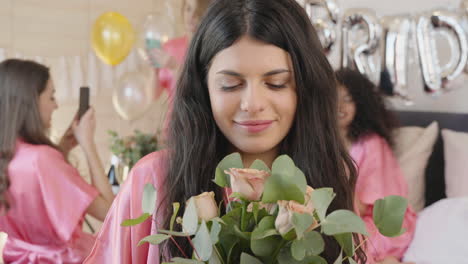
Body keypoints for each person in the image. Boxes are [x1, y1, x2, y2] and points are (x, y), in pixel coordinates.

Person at [85, 0, 366, 263]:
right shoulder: (153, 178)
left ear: (305, 88)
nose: (253, 104)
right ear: (203, 89)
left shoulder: (329, 175)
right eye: (230, 85)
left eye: (277, 83)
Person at [0, 59, 115, 263]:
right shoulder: (43, 159)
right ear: (32, 101)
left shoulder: (10, 154)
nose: (56, 105)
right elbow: (109, 213)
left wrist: (64, 146)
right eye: (51, 96)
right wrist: (88, 144)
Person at [335, 68, 417, 264]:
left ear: (360, 104)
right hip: (342, 217)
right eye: (333, 98)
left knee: (350, 244)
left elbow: (367, 206)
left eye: (348, 99)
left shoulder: (371, 143)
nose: (339, 106)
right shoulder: (319, 143)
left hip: (381, 222)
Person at [153, 0, 212, 140]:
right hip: (173, 129)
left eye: (198, 11)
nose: (191, 16)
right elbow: (153, 95)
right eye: (188, 9)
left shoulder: (211, 50)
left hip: (201, 129)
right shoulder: (170, 47)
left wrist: (175, 67)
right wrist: (154, 67)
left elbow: (200, 92)